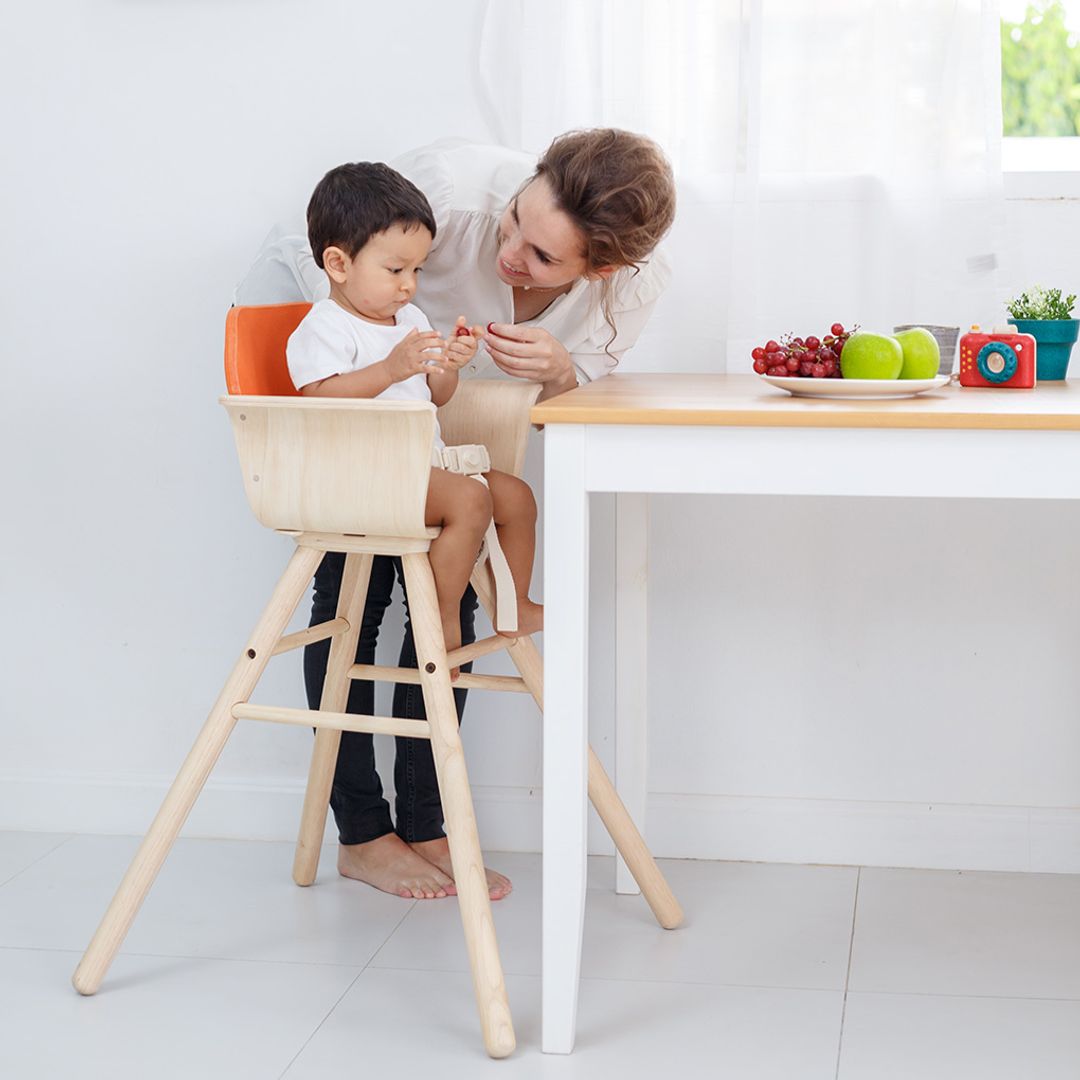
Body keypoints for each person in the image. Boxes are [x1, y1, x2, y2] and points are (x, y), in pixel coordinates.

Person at [236, 129, 676, 903]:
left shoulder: (625, 289)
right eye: (515, 221)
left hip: (423, 438)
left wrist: (547, 370)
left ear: (599, 270)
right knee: (356, 601)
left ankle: (424, 819)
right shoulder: (443, 191)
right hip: (346, 437)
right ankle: (363, 832)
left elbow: (558, 394)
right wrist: (383, 354)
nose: (510, 254)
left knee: (474, 549)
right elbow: (331, 307)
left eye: (543, 257)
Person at [286, 162, 543, 681]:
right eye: (395, 270)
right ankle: (440, 615)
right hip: (362, 473)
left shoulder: (410, 320)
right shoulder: (324, 327)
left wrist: (450, 364)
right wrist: (388, 369)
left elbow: (437, 396)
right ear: (338, 264)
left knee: (516, 496)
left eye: (418, 271)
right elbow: (317, 400)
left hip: (420, 465)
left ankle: (513, 601)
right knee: (470, 501)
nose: (409, 286)